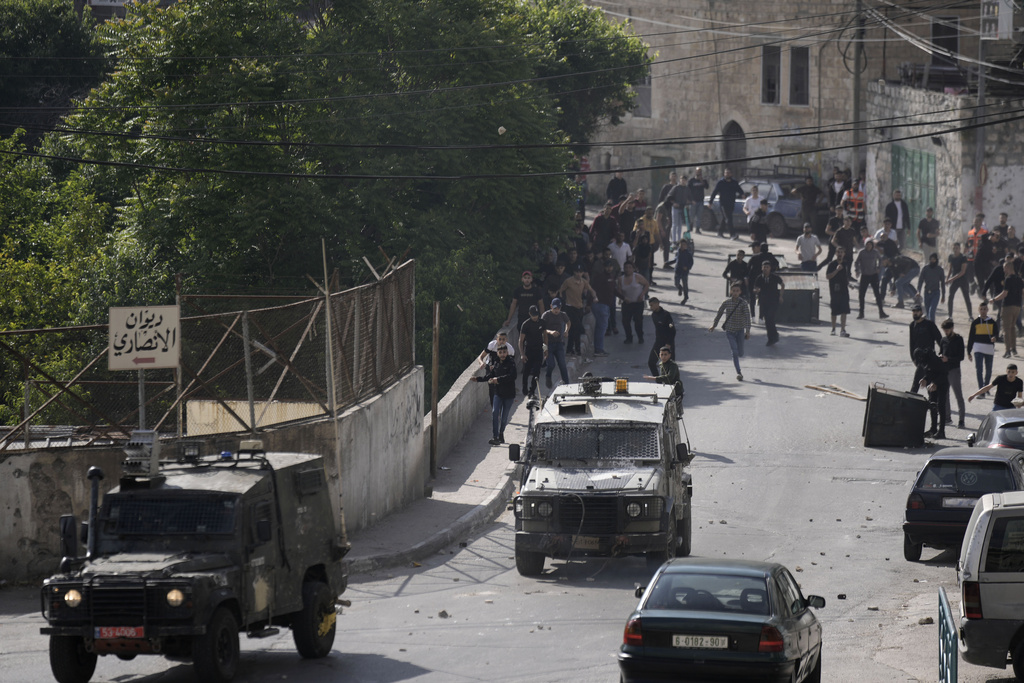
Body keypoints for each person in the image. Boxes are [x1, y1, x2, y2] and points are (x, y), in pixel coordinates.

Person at [709, 283, 752, 380]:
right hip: (730, 331)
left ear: (740, 292)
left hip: (740, 330)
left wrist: (747, 331)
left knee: (740, 352)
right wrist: (714, 325)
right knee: (734, 351)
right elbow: (719, 313)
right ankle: (739, 372)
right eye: (733, 291)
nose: (735, 293)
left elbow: (747, 317)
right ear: (730, 291)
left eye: (737, 291)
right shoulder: (726, 302)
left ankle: (739, 357)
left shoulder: (743, 303)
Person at [558, 264, 597, 357]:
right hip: (570, 307)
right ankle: (576, 348)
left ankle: (571, 349)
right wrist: (561, 301)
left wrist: (595, 297)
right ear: (574, 272)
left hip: (579, 307)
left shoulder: (583, 282)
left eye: (580, 272)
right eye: (577, 272)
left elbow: (591, 290)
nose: (578, 274)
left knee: (573, 330)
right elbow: (560, 291)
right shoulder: (568, 281)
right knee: (579, 327)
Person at [481, 345, 516, 445]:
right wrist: (481, 379)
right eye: (500, 353)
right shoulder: (496, 363)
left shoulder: (511, 363)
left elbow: (512, 376)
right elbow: (491, 375)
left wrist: (498, 380)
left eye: (504, 352)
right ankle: (495, 436)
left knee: (504, 417)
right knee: (495, 412)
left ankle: (501, 433)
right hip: (498, 393)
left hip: (509, 394)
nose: (502, 354)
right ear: (497, 353)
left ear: (507, 353)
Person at [992, 259, 1024, 357]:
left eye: (1004, 268)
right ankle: (1014, 349)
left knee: (1006, 329)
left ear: (1007, 267)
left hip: (1008, 306)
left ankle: (1007, 351)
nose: (1003, 270)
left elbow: (1004, 293)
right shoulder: (1020, 280)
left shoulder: (1008, 279)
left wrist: (994, 299)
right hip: (1017, 307)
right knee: (1012, 328)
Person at [914, 347, 948, 439]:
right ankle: (933, 429)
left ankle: (941, 431)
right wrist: (925, 379)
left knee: (941, 406)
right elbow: (929, 372)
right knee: (932, 405)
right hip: (933, 385)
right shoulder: (925, 361)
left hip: (942, 384)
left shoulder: (934, 360)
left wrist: (935, 383)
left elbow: (944, 373)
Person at [940, 318, 966, 429]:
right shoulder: (943, 340)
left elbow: (961, 357)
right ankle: (947, 418)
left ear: (952, 328)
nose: (946, 332)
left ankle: (961, 420)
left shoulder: (958, 339)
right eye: (944, 330)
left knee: (958, 395)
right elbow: (941, 352)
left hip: (954, 370)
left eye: (947, 330)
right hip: (944, 370)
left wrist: (948, 359)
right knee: (945, 395)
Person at [909, 303, 942, 392]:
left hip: (929, 358)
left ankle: (911, 398)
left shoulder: (929, 324)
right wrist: (913, 359)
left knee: (917, 383)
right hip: (919, 359)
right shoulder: (912, 325)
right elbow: (911, 343)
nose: (915, 313)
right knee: (926, 383)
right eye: (914, 311)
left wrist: (942, 353)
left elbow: (939, 339)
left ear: (921, 312)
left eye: (917, 311)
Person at [967, 301, 998, 392]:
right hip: (978, 348)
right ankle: (981, 389)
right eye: (981, 309)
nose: (983, 311)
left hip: (989, 348)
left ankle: (986, 387)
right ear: (978, 310)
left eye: (984, 309)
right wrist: (968, 352)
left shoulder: (992, 322)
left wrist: (994, 338)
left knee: (989, 370)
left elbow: (996, 333)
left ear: (987, 310)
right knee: (979, 369)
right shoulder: (975, 322)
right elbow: (971, 337)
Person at [503, 271, 545, 338]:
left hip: (533, 318)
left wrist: (543, 318)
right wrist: (509, 319)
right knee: (522, 339)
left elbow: (541, 305)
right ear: (522, 279)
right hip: (521, 318)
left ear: (531, 279)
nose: (527, 280)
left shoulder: (536, 291)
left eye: (528, 278)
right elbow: (513, 304)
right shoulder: (518, 290)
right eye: (525, 278)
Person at [752, 260, 785, 346]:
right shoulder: (759, 278)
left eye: (767, 267)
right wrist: (756, 291)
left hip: (773, 300)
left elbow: (782, 284)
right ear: (762, 268)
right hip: (764, 301)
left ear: (770, 268)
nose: (766, 269)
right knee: (767, 320)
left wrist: (781, 296)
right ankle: (771, 338)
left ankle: (774, 336)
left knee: (770, 317)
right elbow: (755, 288)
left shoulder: (774, 277)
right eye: (764, 267)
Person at [854, 239, 888, 319]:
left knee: (877, 294)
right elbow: (856, 262)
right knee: (861, 295)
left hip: (873, 275)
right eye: (867, 244)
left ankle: (881, 312)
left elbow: (880, 259)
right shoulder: (862, 252)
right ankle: (861, 313)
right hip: (865, 275)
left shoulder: (875, 252)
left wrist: (878, 268)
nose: (868, 246)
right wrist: (857, 270)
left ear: (872, 245)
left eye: (870, 244)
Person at [589, 259, 617, 357]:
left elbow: (613, 290)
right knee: (601, 328)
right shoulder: (600, 277)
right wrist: (589, 303)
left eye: (610, 266)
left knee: (601, 327)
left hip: (606, 305)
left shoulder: (611, 277)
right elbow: (592, 290)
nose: (609, 268)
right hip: (600, 304)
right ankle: (598, 349)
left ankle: (598, 348)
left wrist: (623, 298)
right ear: (604, 267)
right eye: (607, 266)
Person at [643, 346, 684, 411]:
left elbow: (669, 377)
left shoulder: (673, 365)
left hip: (675, 390)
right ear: (659, 355)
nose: (663, 357)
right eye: (662, 355)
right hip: (666, 390)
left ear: (669, 355)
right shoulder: (661, 364)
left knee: (675, 410)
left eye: (665, 354)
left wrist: (654, 378)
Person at [617, 262, 649, 344]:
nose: (628, 269)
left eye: (630, 267)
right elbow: (619, 291)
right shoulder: (621, 279)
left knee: (638, 321)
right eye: (626, 267)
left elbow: (646, 284)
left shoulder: (637, 277)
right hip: (627, 303)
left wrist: (642, 294)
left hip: (638, 303)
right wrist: (622, 298)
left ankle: (640, 337)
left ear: (633, 269)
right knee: (625, 321)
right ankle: (629, 337)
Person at [542, 298, 570, 388]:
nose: (556, 310)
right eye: (554, 308)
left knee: (562, 364)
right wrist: (550, 332)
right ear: (551, 306)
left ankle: (567, 384)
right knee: (551, 364)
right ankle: (548, 376)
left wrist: (566, 331)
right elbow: (541, 329)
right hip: (548, 343)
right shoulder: (546, 315)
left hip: (559, 343)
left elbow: (568, 322)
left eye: (558, 308)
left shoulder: (562, 315)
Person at [708, 168, 742, 239]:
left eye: (728, 173)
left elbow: (739, 189)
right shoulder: (721, 182)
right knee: (729, 218)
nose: (727, 174)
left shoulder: (734, 182)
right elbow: (714, 192)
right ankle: (732, 234)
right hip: (723, 204)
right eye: (726, 173)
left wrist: (743, 194)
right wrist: (710, 202)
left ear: (731, 174)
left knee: (725, 218)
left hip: (731, 203)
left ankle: (720, 232)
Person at [518, 306, 545, 395]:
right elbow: (521, 340)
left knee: (537, 372)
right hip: (529, 350)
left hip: (539, 350)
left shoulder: (542, 322)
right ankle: (524, 387)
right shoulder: (526, 324)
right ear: (530, 314)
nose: (535, 317)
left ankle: (532, 390)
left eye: (536, 315)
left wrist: (546, 349)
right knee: (526, 371)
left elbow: (545, 336)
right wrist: (522, 354)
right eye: (533, 315)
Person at [647, 297, 677, 376]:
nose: (651, 307)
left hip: (668, 343)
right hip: (658, 342)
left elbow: (672, 330)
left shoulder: (666, 315)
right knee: (651, 362)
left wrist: (669, 343)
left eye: (652, 305)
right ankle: (659, 380)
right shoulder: (654, 315)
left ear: (657, 304)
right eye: (650, 305)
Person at [826, 247, 851, 337]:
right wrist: (836, 270)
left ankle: (842, 330)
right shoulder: (832, 264)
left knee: (844, 310)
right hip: (835, 290)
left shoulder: (846, 264)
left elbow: (845, 277)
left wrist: (849, 284)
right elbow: (828, 276)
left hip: (844, 290)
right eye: (838, 252)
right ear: (836, 253)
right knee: (834, 310)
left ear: (844, 254)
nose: (840, 254)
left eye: (841, 252)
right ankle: (833, 329)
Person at [917, 253, 946, 322]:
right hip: (927, 293)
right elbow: (920, 281)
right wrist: (918, 291)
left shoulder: (940, 270)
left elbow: (942, 283)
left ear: (936, 260)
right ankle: (929, 327)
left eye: (934, 259)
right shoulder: (925, 269)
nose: (932, 261)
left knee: (932, 311)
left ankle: (932, 326)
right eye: (931, 259)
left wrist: (943, 295)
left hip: (935, 293)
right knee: (927, 313)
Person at [946, 242, 971, 320]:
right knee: (950, 297)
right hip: (955, 280)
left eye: (957, 248)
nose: (955, 250)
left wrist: (951, 279)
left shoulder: (963, 257)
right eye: (954, 248)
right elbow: (950, 268)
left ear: (960, 249)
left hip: (963, 280)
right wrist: (947, 278)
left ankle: (970, 316)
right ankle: (950, 316)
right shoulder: (951, 257)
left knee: (966, 297)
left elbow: (962, 272)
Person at [687, 167, 709, 234]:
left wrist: (702, 181)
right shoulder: (691, 180)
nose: (699, 173)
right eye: (698, 171)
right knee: (692, 216)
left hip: (700, 201)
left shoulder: (703, 180)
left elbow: (707, 187)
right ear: (695, 172)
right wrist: (690, 200)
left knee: (699, 216)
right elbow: (687, 190)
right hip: (693, 201)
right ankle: (691, 225)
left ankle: (697, 229)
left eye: (700, 172)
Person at [675, 239, 693, 304]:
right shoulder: (678, 252)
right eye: (681, 244)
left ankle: (685, 297)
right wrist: (668, 263)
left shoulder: (688, 253)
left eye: (684, 245)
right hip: (678, 270)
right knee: (676, 283)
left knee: (685, 285)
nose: (683, 246)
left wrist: (687, 267)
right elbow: (676, 260)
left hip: (684, 271)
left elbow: (691, 262)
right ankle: (680, 288)